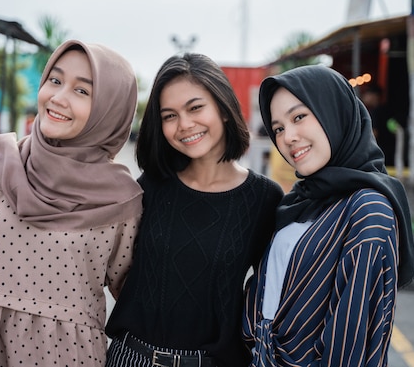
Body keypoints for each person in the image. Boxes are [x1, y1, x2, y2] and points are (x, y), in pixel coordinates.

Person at [0, 40, 143, 367]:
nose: (58, 97)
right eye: (55, 80)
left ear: (109, 110)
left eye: (82, 91)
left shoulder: (121, 198)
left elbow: (139, 300)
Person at [105, 53, 284, 367]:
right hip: (130, 357)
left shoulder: (264, 198)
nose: (184, 125)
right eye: (169, 115)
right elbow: (120, 272)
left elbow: (270, 296)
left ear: (224, 108)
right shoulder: (150, 186)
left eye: (195, 107)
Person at [242, 65, 414, 367]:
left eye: (299, 117)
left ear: (334, 113)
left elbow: (353, 345)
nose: (288, 137)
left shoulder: (367, 210)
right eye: (279, 128)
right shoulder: (301, 199)